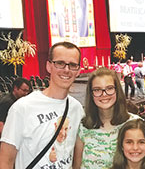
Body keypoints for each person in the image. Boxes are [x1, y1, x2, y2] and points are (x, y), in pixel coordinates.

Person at [0, 41, 84, 169]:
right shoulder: (23, 107)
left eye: (72, 65)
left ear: (78, 70)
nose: (66, 70)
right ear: (49, 66)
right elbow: (6, 160)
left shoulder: (77, 108)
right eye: (60, 63)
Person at [73, 67, 139, 169]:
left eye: (109, 88)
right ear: (91, 94)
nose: (104, 94)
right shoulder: (83, 127)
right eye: (97, 90)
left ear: (117, 90)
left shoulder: (136, 124)